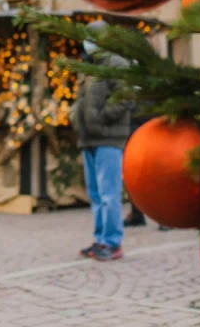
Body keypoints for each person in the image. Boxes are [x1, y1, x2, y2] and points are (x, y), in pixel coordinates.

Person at [70, 21, 132, 261]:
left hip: (109, 137)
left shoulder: (116, 64)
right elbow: (79, 100)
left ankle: (113, 242)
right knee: (95, 195)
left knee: (109, 194)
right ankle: (100, 240)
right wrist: (76, 118)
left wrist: (102, 118)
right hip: (88, 139)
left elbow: (125, 97)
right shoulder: (88, 67)